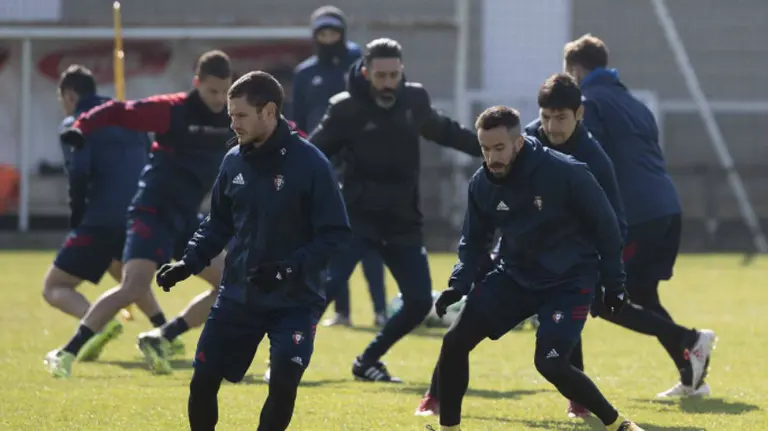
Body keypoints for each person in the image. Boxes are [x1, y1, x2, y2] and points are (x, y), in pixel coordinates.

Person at [415, 73, 629, 418]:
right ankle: (442, 412)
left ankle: (610, 418)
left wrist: (612, 280)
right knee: (455, 340)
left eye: (561, 117)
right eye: (485, 149)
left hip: (568, 278)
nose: (491, 157)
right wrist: (459, 283)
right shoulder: (485, 179)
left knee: (551, 359)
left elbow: (611, 225)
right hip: (515, 272)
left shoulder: (580, 167)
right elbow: (473, 239)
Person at [155, 71, 351, 431]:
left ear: (269, 111)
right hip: (239, 296)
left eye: (241, 115)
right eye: (231, 115)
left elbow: (335, 235)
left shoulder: (311, 164)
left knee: (283, 384)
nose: (233, 123)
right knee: (201, 382)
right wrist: (188, 262)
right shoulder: (232, 161)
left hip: (295, 300)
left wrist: (289, 269)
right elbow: (218, 224)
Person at [45, 51, 233, 378]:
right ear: (197, 83)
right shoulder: (172, 111)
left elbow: (272, 129)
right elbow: (120, 112)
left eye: (223, 92)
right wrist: (82, 125)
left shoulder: (231, 118)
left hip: (187, 218)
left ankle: (162, 337)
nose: (218, 99)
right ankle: (65, 354)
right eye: (211, 91)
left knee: (231, 283)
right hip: (151, 213)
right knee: (133, 287)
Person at [309, 37, 481, 382]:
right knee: (320, 293)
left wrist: (494, 148)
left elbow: (445, 131)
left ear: (402, 72)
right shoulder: (345, 108)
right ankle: (284, 360)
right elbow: (313, 155)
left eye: (394, 75)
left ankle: (367, 361)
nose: (388, 83)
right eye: (381, 75)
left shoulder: (414, 100)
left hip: (402, 220)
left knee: (418, 302)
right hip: (356, 218)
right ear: (366, 72)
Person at [564, 34, 715, 399]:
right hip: (667, 210)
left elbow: (588, 158)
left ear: (577, 69)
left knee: (601, 299)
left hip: (636, 216)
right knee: (644, 293)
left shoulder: (589, 103)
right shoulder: (634, 102)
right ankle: (692, 378)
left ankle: (689, 339)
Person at [43, 64, 158, 362]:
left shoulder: (74, 122)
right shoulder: (128, 118)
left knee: (54, 286)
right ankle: (164, 331)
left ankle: (96, 324)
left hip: (100, 219)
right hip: (138, 214)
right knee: (126, 273)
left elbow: (78, 171)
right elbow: (150, 159)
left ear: (69, 95)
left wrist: (77, 212)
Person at [293, 5, 387, 328]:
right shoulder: (305, 72)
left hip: (360, 159)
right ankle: (342, 312)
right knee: (333, 234)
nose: (329, 38)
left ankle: (380, 310)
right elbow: (301, 118)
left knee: (369, 236)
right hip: (323, 161)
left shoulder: (358, 61)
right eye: (323, 33)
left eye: (334, 32)